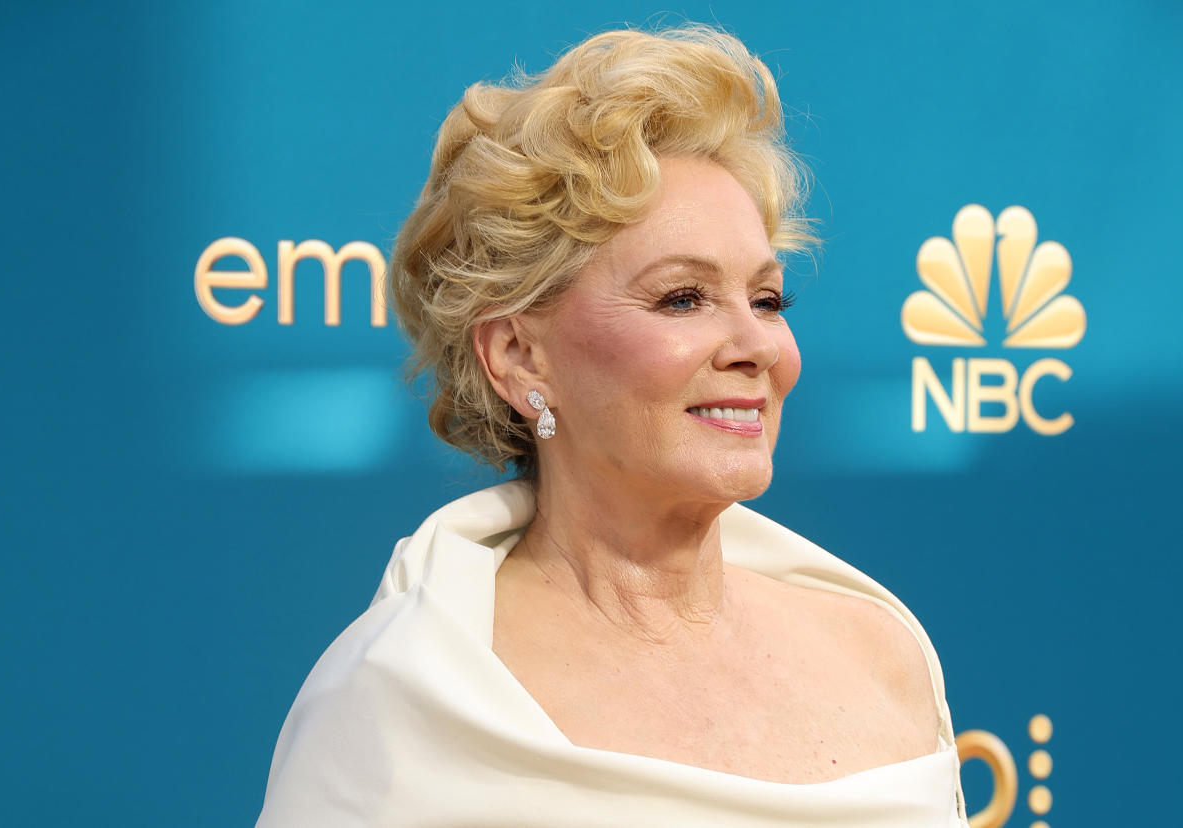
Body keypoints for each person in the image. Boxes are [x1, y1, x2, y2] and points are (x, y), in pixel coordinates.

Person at [257, 25, 969, 827]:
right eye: (682, 299)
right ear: (521, 356)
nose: (757, 346)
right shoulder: (406, 695)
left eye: (767, 299)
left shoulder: (882, 650)